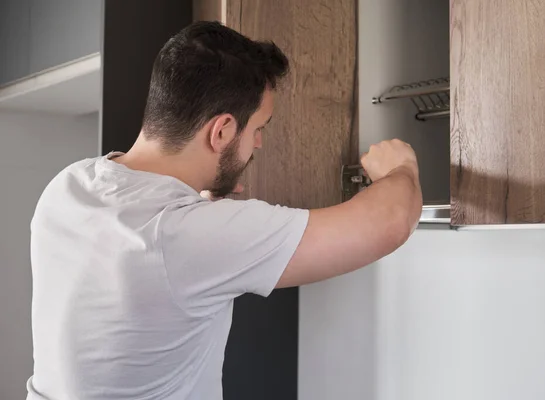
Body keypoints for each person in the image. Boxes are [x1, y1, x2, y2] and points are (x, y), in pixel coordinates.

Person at [26, 21, 422, 400]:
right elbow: (390, 222)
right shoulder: (181, 233)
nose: (259, 145)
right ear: (222, 132)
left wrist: (204, 211)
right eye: (259, 129)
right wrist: (399, 167)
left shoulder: (68, 187)